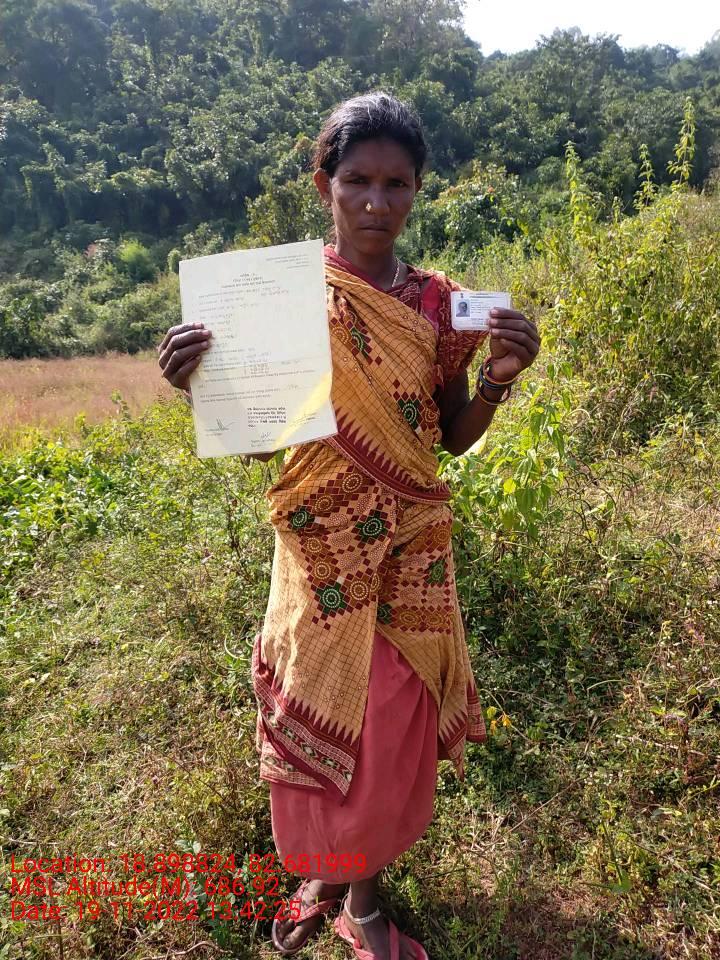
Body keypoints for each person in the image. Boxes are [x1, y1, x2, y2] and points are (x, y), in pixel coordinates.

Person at [158, 92, 541, 960]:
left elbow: (449, 434)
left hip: (410, 547)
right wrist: (200, 385)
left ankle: (361, 899)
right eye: (357, 181)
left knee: (388, 719)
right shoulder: (279, 302)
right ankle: (325, 869)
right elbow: (263, 443)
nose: (376, 202)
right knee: (319, 701)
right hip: (321, 545)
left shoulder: (438, 305)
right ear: (323, 185)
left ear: (417, 191)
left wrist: (497, 379)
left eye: (396, 184)